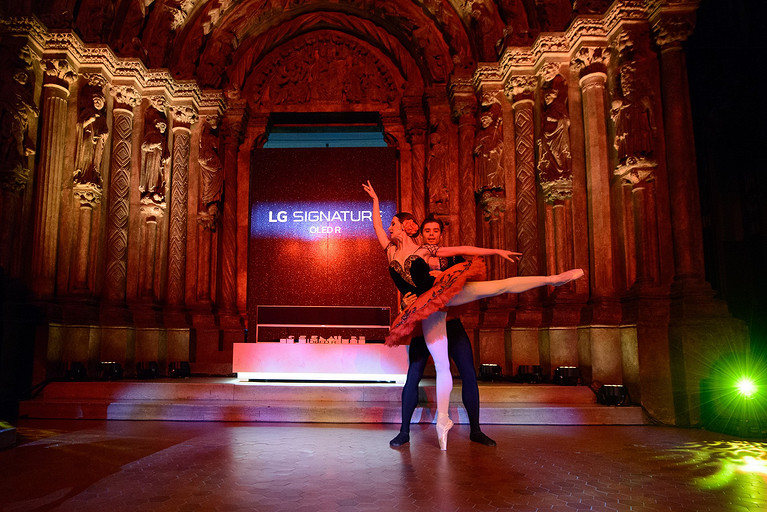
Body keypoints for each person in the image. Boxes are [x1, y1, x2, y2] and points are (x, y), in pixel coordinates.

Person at [363, 181, 584, 450]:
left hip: (443, 297)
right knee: (432, 368)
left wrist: (496, 251)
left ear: (407, 226)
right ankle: (426, 426)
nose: (389, 228)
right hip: (424, 309)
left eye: (394, 224)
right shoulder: (389, 250)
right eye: (427, 230)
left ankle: (552, 279)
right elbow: (377, 225)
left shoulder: (425, 251)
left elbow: (463, 250)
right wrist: (375, 199)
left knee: (497, 287)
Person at [390, 214, 496, 448]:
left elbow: (466, 283)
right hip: (424, 323)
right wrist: (404, 301)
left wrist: (445, 278)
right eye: (427, 230)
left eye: (435, 231)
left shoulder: (453, 258)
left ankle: (476, 430)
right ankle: (404, 432)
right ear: (421, 234)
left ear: (440, 234)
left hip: (451, 321)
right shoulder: (416, 257)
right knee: (414, 373)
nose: (431, 234)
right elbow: (406, 288)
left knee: (468, 371)